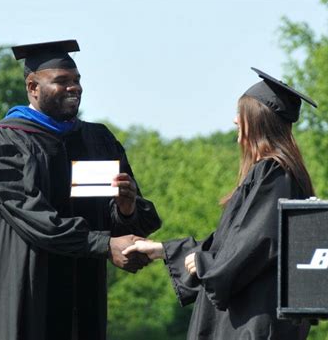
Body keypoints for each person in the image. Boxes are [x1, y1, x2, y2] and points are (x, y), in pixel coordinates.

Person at [0, 39, 161, 340]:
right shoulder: (6, 142)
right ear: (33, 87)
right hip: (20, 283)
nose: (74, 88)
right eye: (62, 81)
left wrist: (126, 209)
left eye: (77, 81)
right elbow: (33, 216)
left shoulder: (98, 140)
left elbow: (122, 222)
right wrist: (104, 245)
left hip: (81, 290)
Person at [123, 67, 316, 340]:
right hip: (241, 318)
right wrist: (162, 250)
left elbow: (257, 242)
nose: (236, 121)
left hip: (252, 322)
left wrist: (204, 264)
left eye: (243, 114)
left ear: (258, 120)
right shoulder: (270, 174)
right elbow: (228, 244)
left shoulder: (275, 173)